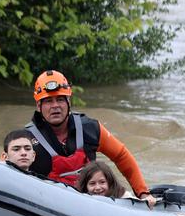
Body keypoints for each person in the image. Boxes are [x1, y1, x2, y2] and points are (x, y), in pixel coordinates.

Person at [24, 69, 152, 199]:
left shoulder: (91, 128)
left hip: (91, 203)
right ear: (39, 106)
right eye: (48, 101)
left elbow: (121, 156)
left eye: (60, 100)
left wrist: (143, 193)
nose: (55, 106)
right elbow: (7, 169)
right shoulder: (25, 138)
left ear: (68, 102)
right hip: (49, 203)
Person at [76, 161, 154, 208]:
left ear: (109, 182)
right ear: (85, 186)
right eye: (92, 183)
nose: (98, 187)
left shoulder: (123, 196)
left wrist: (147, 201)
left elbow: (137, 204)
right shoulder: (80, 198)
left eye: (102, 182)